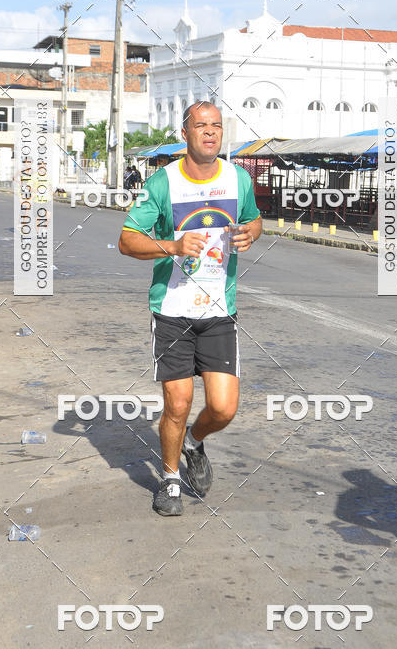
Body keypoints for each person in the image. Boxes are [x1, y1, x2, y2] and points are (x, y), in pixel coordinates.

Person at [119, 102, 262, 517]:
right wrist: (174, 245)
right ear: (186, 133)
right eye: (201, 126)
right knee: (177, 404)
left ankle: (194, 444)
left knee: (223, 408)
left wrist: (249, 233)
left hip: (219, 310)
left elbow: (254, 221)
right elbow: (128, 240)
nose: (210, 132)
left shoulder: (238, 178)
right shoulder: (162, 183)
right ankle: (169, 480)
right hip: (172, 310)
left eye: (216, 126)